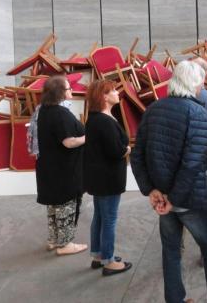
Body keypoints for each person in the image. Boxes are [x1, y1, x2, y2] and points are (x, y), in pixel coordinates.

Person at [131, 60, 207, 303]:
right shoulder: (197, 112)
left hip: (164, 198)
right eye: (201, 82)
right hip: (189, 199)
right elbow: (192, 164)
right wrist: (172, 200)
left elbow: (136, 155)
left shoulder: (153, 109)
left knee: (171, 251)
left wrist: (151, 190)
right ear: (195, 84)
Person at [83, 80, 133, 276]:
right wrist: (127, 149)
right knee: (109, 219)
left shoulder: (95, 118)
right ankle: (109, 261)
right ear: (104, 97)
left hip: (99, 177)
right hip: (108, 178)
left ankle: (98, 255)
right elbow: (115, 151)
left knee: (100, 217)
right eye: (113, 90)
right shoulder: (104, 121)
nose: (117, 92)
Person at [35, 75, 87, 256]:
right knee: (66, 205)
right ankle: (65, 244)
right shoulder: (60, 113)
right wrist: (87, 138)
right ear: (59, 92)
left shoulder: (44, 110)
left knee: (53, 206)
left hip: (49, 168)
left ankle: (54, 240)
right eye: (68, 88)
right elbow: (69, 142)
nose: (71, 90)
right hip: (63, 170)